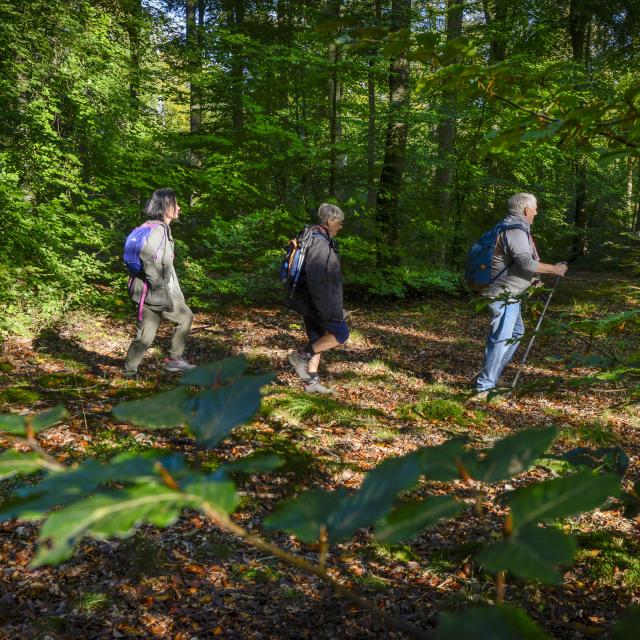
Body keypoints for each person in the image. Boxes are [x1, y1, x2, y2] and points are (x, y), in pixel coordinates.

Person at [474, 193, 568, 398]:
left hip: (508, 293)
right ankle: (484, 387)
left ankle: (492, 379)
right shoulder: (515, 230)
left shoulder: (508, 226)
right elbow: (526, 262)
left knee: (516, 333)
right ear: (526, 210)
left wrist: (530, 280)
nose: (536, 212)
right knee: (501, 339)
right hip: (503, 294)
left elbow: (510, 263)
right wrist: (554, 269)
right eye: (535, 208)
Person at [123, 189, 195, 378]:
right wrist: (156, 285)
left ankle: (173, 360)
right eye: (175, 204)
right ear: (165, 206)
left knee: (185, 316)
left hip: (155, 290)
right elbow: (146, 257)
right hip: (149, 290)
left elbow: (165, 265)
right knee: (146, 336)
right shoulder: (158, 229)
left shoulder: (158, 227)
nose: (178, 208)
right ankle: (130, 373)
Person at [286, 203, 349, 394]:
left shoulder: (316, 239)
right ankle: (300, 357)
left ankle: (311, 383)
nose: (341, 226)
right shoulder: (319, 243)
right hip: (316, 302)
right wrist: (328, 310)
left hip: (309, 301)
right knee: (340, 334)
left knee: (317, 337)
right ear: (330, 221)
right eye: (339, 221)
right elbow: (317, 281)